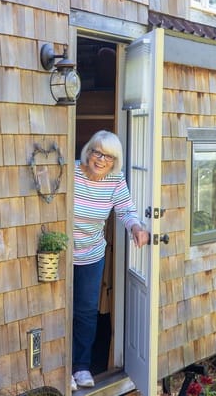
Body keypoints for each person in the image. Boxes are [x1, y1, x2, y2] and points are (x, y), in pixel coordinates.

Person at [71, 130, 150, 390]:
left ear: (114, 161)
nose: (100, 159)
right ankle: (59, 368)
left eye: (107, 156)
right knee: (58, 309)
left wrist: (137, 228)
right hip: (62, 254)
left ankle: (81, 367)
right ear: (88, 151)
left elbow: (126, 210)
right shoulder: (72, 174)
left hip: (91, 254)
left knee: (85, 311)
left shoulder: (115, 181)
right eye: (96, 152)